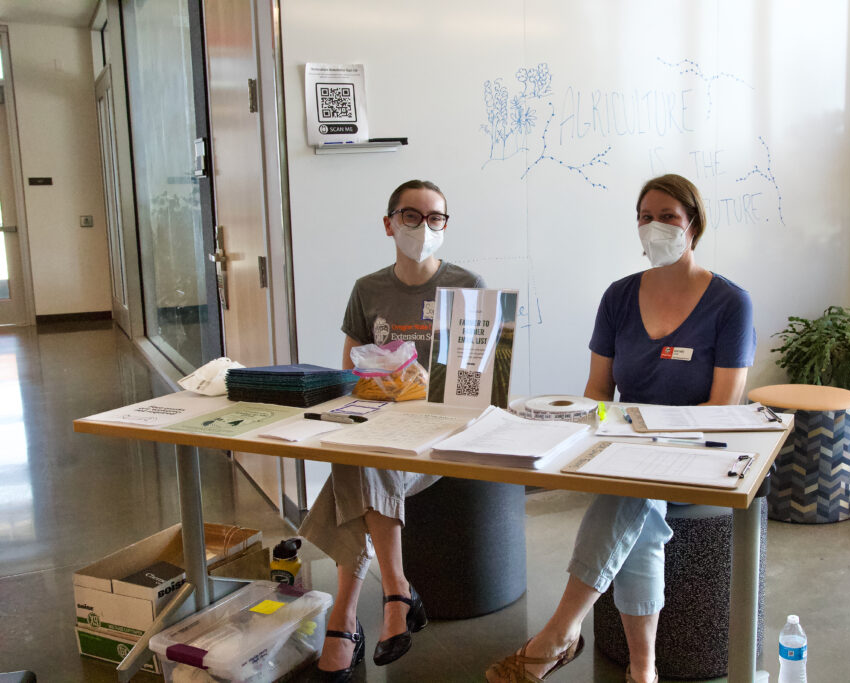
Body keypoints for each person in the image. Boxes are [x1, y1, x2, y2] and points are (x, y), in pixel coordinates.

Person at [485, 174, 755, 683]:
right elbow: (596, 395)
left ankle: (558, 634)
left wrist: (644, 439)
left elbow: (723, 409)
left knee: (630, 495)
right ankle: (642, 670)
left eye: (668, 216)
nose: (655, 227)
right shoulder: (618, 297)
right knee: (636, 504)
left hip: (702, 452)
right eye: (645, 216)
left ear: (693, 225)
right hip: (630, 450)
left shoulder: (730, 304)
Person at [300, 179, 485, 682]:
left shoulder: (468, 286)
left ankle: (347, 617)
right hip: (382, 423)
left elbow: (480, 389)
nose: (423, 228)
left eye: (435, 218)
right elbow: (350, 375)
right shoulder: (368, 289)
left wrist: (432, 387)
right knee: (358, 454)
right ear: (389, 224)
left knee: (357, 464)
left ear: (446, 226)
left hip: (443, 431)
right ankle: (394, 591)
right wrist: (383, 385)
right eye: (411, 216)